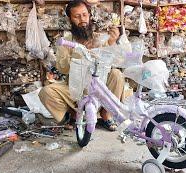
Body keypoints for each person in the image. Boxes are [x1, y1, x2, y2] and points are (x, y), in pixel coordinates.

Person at [38, 0, 125, 131]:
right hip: (74, 86)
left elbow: (115, 61)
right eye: (77, 16)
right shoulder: (65, 41)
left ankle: (106, 114)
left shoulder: (99, 38)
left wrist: (112, 43)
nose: (82, 20)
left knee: (117, 75)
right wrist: (77, 55)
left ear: (89, 15)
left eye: (84, 15)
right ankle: (73, 115)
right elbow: (62, 68)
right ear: (70, 19)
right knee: (46, 92)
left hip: (98, 84)